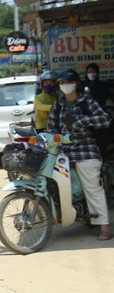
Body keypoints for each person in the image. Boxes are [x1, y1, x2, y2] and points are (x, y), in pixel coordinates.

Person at [49, 69, 112, 241]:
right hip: (64, 152)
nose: (65, 86)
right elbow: (52, 127)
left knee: (92, 189)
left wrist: (84, 121)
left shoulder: (86, 102)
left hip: (86, 151)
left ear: (76, 84)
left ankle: (105, 227)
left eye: (67, 82)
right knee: (62, 187)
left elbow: (105, 119)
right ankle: (79, 216)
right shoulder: (58, 105)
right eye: (61, 83)